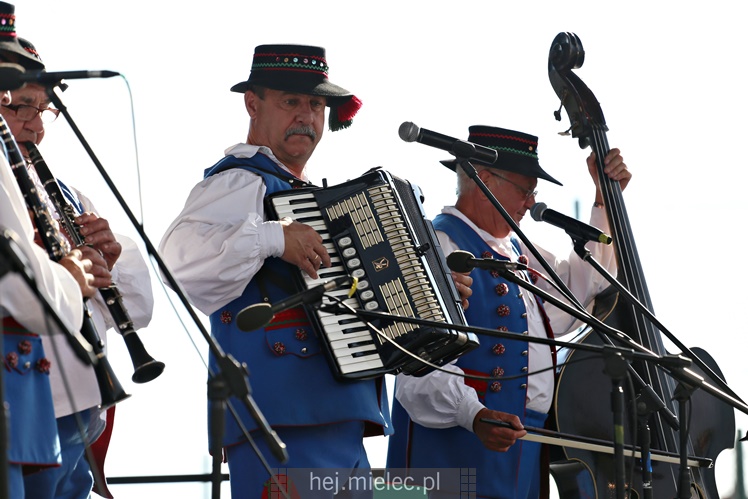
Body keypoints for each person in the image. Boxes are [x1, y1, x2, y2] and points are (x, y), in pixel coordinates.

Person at [159, 44, 392, 497]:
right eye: (291, 102)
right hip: (280, 422)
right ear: (253, 103)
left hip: (342, 420)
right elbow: (177, 259)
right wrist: (273, 237)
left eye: (317, 104)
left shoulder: (299, 190)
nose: (306, 115)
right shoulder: (240, 179)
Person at [386, 125, 631, 499]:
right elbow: (417, 367)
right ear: (484, 179)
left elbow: (580, 291)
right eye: (524, 189)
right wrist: (472, 413)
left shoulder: (519, 251)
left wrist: (605, 198)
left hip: (524, 445)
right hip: (457, 446)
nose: (531, 202)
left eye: (534, 191)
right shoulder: (437, 244)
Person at [0, 34, 155, 499]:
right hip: (33, 400)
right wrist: (68, 275)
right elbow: (28, 293)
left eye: (41, 110)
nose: (34, 125)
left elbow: (140, 309)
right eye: (19, 106)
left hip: (84, 408)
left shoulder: (66, 197)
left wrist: (109, 261)